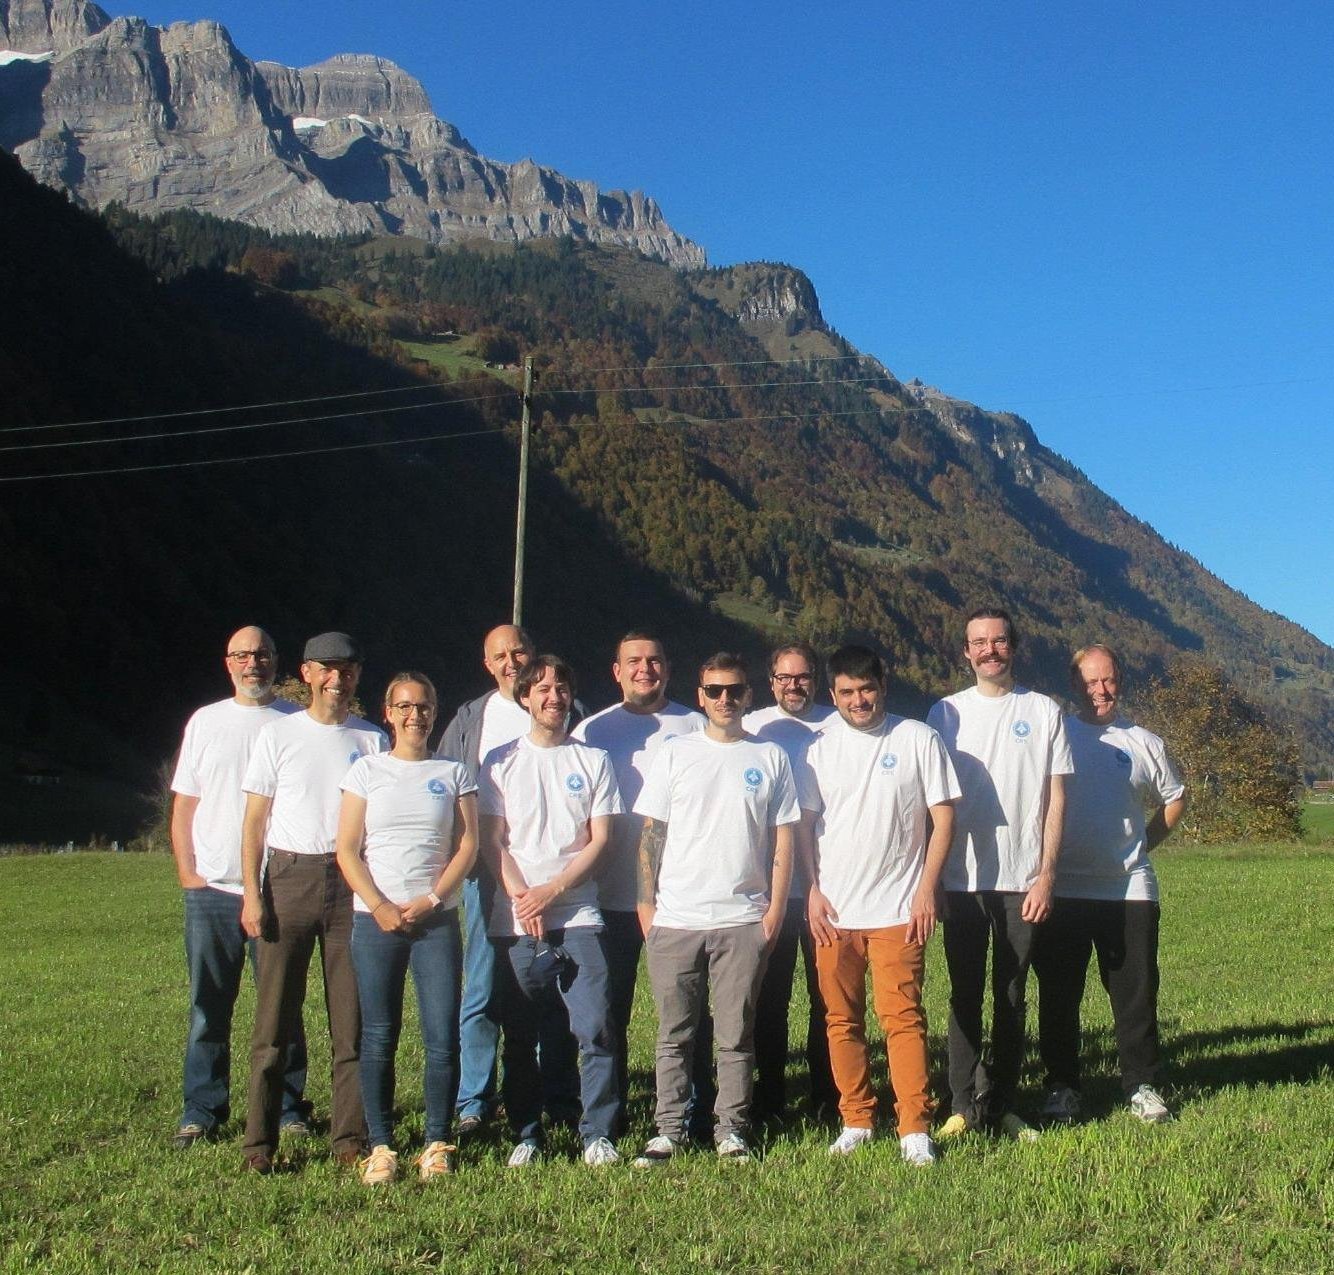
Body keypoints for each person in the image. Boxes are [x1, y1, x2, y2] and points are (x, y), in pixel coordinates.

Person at [632, 653, 798, 1165]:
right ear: (700, 695)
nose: (724, 699)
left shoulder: (770, 757)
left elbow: (784, 839)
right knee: (675, 1034)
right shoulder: (675, 754)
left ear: (750, 695)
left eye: (734, 690)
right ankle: (669, 1129)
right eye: (714, 691)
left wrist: (772, 912)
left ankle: (732, 1130)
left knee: (735, 1035)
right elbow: (651, 835)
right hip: (676, 919)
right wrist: (646, 907)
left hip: (742, 918)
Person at [797, 645, 960, 1165]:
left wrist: (925, 890)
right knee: (841, 1020)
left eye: (866, 689)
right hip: (835, 913)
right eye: (846, 692)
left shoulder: (917, 738)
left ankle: (914, 1125)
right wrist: (812, 891)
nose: (858, 700)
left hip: (898, 909)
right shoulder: (817, 747)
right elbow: (804, 826)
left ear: (882, 686)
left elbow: (944, 819)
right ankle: (857, 1118)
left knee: (903, 1018)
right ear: (833, 695)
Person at [240, 631, 387, 1173]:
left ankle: (349, 1139)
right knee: (274, 1022)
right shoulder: (279, 735)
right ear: (306, 674)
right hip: (289, 874)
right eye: (327, 669)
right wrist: (253, 893)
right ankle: (259, 1144)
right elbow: (255, 821)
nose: (337, 678)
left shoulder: (371, 739)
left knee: (351, 1021)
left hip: (350, 882)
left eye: (347, 669)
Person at [926, 608, 1072, 1139]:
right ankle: (963, 1104)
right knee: (964, 993)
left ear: (1014, 646)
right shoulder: (943, 714)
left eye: (999, 641)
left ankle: (1004, 1103)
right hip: (960, 881)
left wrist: (1046, 875)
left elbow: (1056, 798)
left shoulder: (1044, 710)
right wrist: (933, 879)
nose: (990, 650)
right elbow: (929, 803)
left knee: (1011, 994)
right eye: (979, 642)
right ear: (966, 652)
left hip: (1021, 880)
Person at [478, 655, 624, 1167]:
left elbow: (600, 839)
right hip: (516, 922)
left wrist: (553, 891)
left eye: (561, 687)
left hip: (579, 915)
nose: (552, 696)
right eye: (540, 688)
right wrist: (524, 897)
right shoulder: (498, 761)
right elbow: (491, 841)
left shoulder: (593, 761)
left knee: (596, 1027)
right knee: (521, 1034)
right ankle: (526, 1132)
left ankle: (597, 1133)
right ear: (524, 698)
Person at [168, 626, 310, 1148]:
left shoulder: (298, 722)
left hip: (280, 886)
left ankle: (290, 1106)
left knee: (282, 1004)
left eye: (263, 654)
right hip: (212, 889)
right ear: (227, 663)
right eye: (243, 655)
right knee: (209, 1005)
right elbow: (185, 804)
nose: (254, 663)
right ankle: (202, 1110)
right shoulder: (206, 722)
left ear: (278, 662)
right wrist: (189, 872)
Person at [335, 672, 479, 1185]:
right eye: (405, 707)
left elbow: (467, 845)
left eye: (424, 706)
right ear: (388, 712)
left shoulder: (454, 772)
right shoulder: (366, 773)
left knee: (442, 1036)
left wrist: (434, 898)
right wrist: (379, 905)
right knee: (378, 1035)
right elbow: (347, 849)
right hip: (375, 922)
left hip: (435, 921)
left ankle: (437, 1141)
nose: (415, 715)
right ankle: (381, 1145)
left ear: (435, 712)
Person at [1033, 643, 1186, 1125]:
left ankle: (1142, 1086)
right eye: (1089, 681)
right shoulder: (1057, 736)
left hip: (1129, 890)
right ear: (1074, 685)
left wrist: (1143, 844)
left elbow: (1175, 798)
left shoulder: (1145, 742)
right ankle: (1062, 1087)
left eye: (1108, 680)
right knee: (1059, 996)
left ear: (1120, 681)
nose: (1100, 690)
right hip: (1062, 889)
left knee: (1135, 995)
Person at [435, 623, 578, 1134]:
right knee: (482, 986)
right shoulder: (471, 718)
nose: (511, 660)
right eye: (500, 654)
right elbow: (445, 784)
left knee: (548, 985)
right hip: (488, 875)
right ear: (487, 663)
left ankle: (544, 1091)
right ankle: (475, 1100)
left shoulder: (561, 707)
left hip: (552, 880)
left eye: (520, 649)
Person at [571, 630, 705, 1133]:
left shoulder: (694, 725)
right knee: (607, 1013)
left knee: (690, 1014)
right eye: (634, 661)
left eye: (654, 659)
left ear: (668, 668)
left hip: (682, 898)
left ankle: (694, 1110)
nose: (644, 668)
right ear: (617, 670)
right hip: (607, 897)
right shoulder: (592, 731)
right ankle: (612, 1110)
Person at [742, 641, 838, 1123]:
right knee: (769, 999)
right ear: (770, 681)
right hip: (770, 891)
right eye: (784, 677)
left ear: (815, 680)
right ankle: (770, 1098)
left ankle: (828, 1097)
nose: (793, 685)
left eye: (802, 677)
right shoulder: (753, 727)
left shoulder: (836, 723)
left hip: (831, 889)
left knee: (829, 1002)